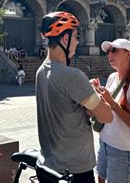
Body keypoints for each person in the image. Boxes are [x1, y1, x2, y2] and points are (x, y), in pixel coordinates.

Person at [36, 11, 113, 183]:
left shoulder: (41, 71)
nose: (78, 41)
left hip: (48, 167)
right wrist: (95, 94)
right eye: (76, 36)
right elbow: (107, 116)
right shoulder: (72, 76)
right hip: (74, 171)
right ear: (65, 39)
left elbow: (65, 109)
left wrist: (86, 99)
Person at [95, 39, 130, 183]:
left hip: (123, 150)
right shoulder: (112, 77)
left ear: (127, 54)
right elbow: (108, 109)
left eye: (114, 50)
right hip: (105, 142)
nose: (109, 55)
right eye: (108, 51)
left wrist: (111, 102)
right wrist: (98, 95)